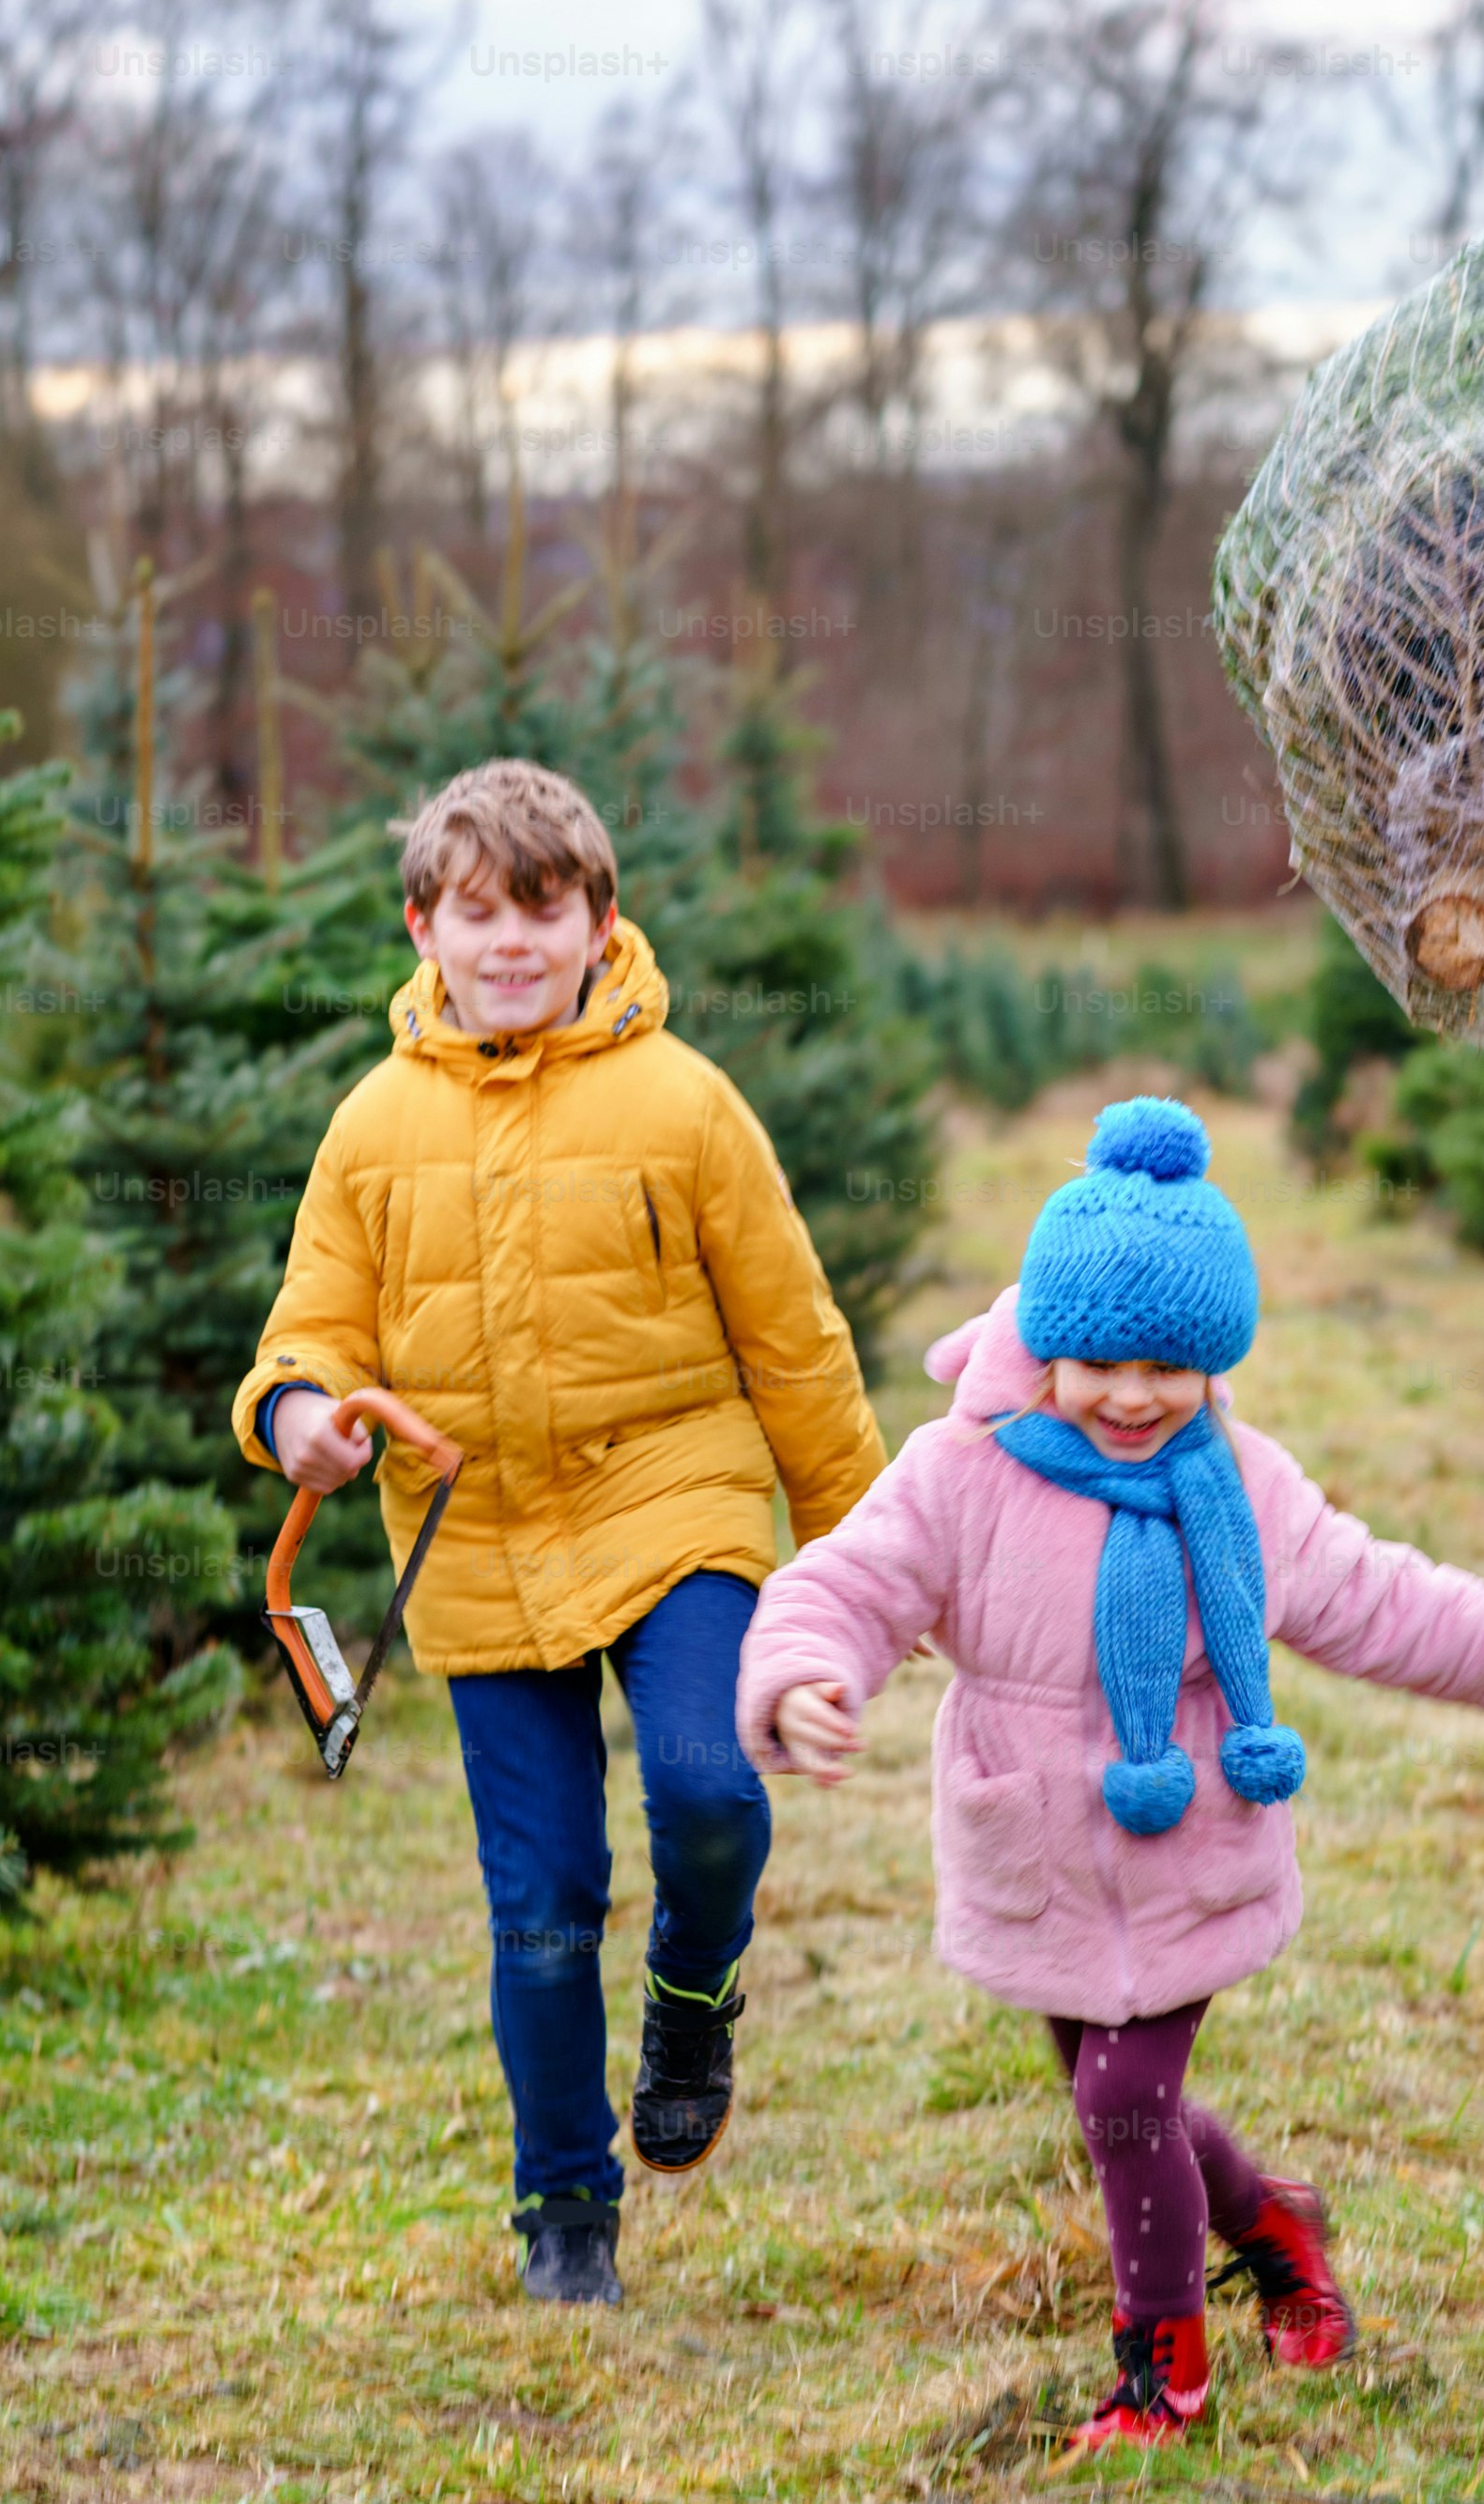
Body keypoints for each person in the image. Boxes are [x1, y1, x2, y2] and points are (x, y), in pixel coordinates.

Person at [739, 1098, 1484, 2451]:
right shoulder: (961, 1476)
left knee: (1124, 2100)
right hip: (1041, 1863)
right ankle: (1274, 2220)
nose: (1131, 1395)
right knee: (1123, 2106)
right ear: (1049, 1343)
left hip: (1189, 1856)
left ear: (1214, 1357)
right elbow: (845, 1585)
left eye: (1167, 1366)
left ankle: (1159, 2376)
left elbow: (1385, 1602)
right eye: (1101, 1360)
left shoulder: (1241, 1486)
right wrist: (803, 1678)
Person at [231, 759, 888, 2307]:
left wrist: (864, 1554)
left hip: (676, 1499)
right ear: (425, 929)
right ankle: (566, 2211)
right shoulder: (372, 1128)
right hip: (475, 1543)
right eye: (479, 914)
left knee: (710, 1787)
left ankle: (691, 1988)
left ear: (603, 921)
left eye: (545, 909)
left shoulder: (686, 1103)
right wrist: (303, 1419)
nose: (513, 942)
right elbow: (299, 1340)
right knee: (538, 1912)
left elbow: (794, 1341)